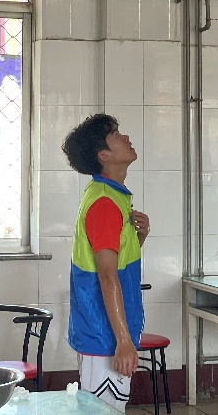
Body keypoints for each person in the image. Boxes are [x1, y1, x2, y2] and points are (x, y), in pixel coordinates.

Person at [62, 114, 150, 412]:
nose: (126, 138)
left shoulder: (112, 195)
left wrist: (139, 237)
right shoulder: (105, 202)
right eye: (116, 135)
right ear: (104, 155)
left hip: (106, 334)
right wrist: (123, 340)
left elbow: (114, 261)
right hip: (104, 337)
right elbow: (107, 276)